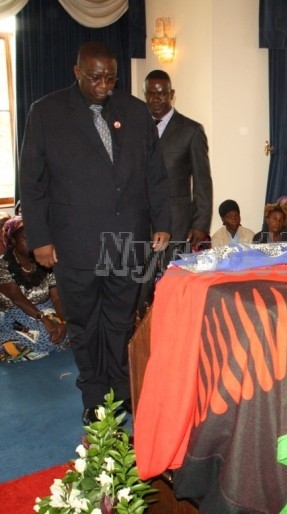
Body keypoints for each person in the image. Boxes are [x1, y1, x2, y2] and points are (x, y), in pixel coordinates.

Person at [19, 42, 171, 424]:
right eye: (95, 77)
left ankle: (120, 391)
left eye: (111, 77)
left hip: (125, 239)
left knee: (120, 320)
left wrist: (164, 221)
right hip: (74, 241)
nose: (104, 85)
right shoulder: (47, 113)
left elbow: (155, 174)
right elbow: (32, 183)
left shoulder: (135, 112)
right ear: (77, 72)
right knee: (85, 324)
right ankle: (93, 394)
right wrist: (39, 238)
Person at [144, 70, 213, 254]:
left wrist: (200, 224)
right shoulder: (136, 128)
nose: (155, 99)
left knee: (171, 277)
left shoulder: (191, 130)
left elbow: (202, 181)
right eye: (151, 93)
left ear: (172, 94)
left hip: (178, 222)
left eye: (161, 93)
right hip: (141, 220)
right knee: (140, 278)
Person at [0, 216, 68, 362]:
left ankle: (34, 349)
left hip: (46, 308)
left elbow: (56, 297)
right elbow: (18, 300)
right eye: (26, 239)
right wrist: (45, 321)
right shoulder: (3, 265)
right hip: (15, 314)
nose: (32, 244)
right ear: (13, 241)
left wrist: (64, 322)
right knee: (46, 334)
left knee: (73, 327)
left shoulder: (44, 260)